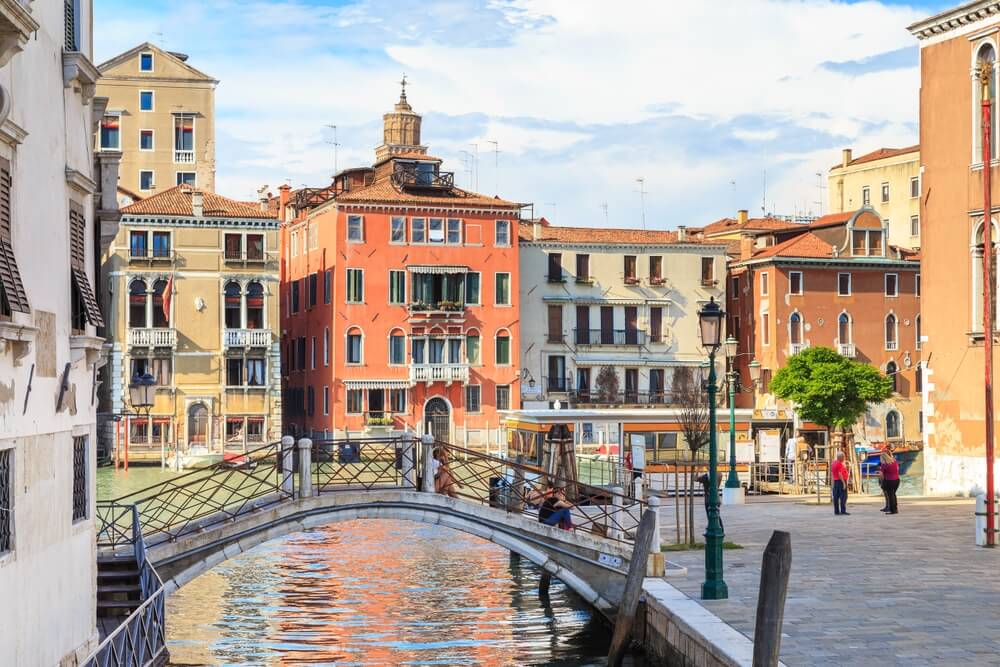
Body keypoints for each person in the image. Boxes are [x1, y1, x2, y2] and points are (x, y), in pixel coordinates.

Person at [878, 449, 900, 514]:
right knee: (893, 495)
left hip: (889, 481)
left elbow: (881, 475)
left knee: (890, 496)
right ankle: (895, 509)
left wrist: (882, 482)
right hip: (897, 480)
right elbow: (897, 470)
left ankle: (892, 510)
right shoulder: (894, 462)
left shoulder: (884, 465)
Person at [831, 450, 850, 515]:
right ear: (841, 457)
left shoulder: (833, 463)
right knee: (843, 496)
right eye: (843, 457)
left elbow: (832, 473)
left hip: (836, 481)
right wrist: (844, 483)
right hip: (840, 481)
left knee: (836, 496)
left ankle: (836, 511)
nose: (844, 458)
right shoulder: (839, 464)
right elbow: (840, 473)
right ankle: (843, 510)